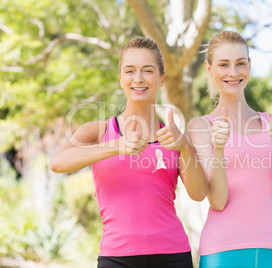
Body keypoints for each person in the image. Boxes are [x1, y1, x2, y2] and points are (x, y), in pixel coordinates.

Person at [50, 37, 207, 268]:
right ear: (121, 78)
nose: (139, 78)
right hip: (116, 257)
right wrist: (117, 146)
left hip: (173, 255)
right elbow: (57, 163)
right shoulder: (99, 130)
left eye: (148, 70)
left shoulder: (173, 137)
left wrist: (184, 146)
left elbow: (199, 193)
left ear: (161, 79)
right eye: (130, 70)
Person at [188, 31, 272, 268]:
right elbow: (217, 200)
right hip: (223, 249)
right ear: (209, 69)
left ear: (250, 65)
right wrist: (218, 149)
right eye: (223, 64)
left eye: (240, 63)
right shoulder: (202, 126)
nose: (233, 73)